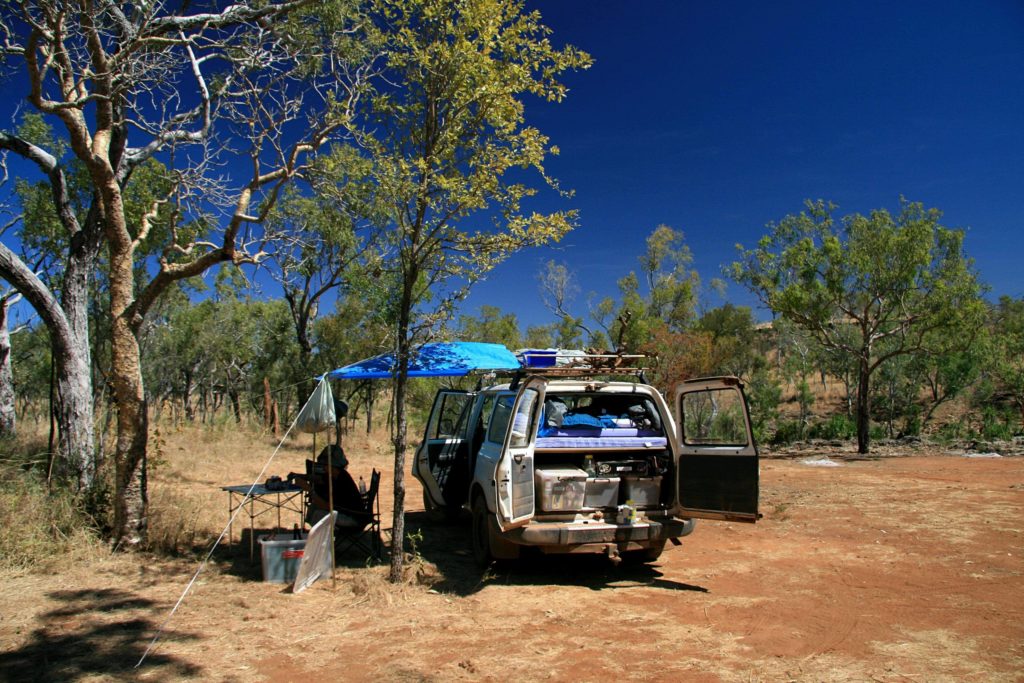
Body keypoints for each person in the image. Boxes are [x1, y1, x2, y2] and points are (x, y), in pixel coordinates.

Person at [289, 445, 365, 527]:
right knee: (314, 507)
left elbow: (326, 506)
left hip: (353, 518)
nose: (323, 468)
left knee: (318, 514)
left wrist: (309, 489)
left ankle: (326, 534)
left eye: (325, 465)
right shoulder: (335, 475)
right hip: (344, 513)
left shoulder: (341, 481)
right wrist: (300, 476)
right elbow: (318, 479)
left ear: (332, 466)